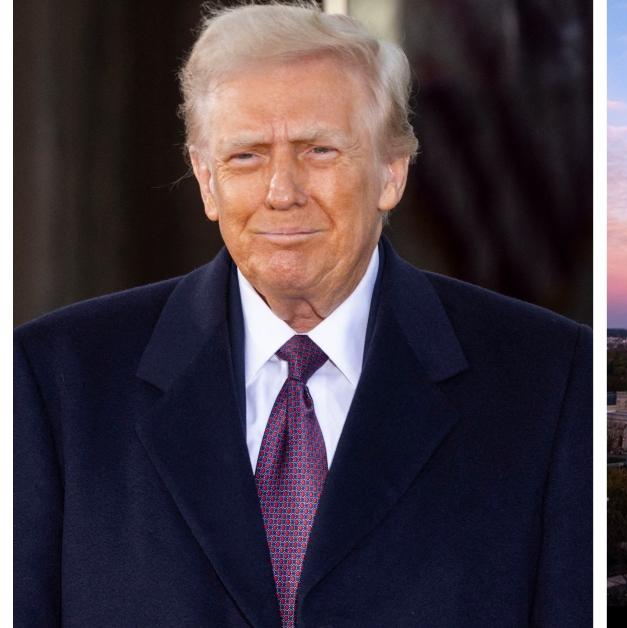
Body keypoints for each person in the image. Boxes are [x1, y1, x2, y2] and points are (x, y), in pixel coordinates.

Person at [14, 5, 590, 627]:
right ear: (206, 180)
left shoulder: (549, 381)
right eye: (246, 157)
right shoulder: (55, 381)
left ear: (390, 172)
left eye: (318, 150)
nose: (282, 191)